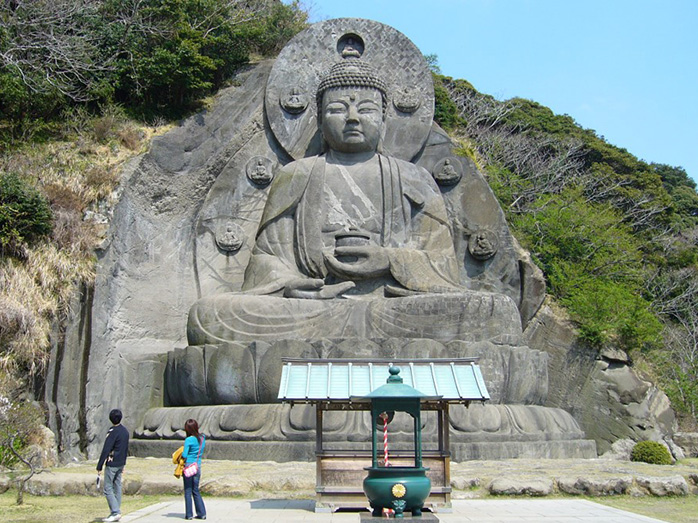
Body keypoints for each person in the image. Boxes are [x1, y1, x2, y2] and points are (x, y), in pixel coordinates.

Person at [186, 56, 496, 345]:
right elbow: (267, 258)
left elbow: (441, 265)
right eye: (336, 110)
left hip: (392, 306)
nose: (352, 119)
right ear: (319, 121)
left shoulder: (413, 178)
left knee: (492, 312)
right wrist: (290, 285)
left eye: (366, 110)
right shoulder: (296, 175)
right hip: (311, 309)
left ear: (385, 120)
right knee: (211, 314)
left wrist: (389, 260)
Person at [97, 409, 129, 523]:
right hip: (121, 462)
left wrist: (99, 465)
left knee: (108, 488)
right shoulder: (125, 431)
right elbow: (126, 449)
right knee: (117, 486)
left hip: (112, 462)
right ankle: (116, 511)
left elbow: (106, 448)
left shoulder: (112, 431)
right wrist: (124, 463)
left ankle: (115, 512)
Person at [182, 418, 206, 520]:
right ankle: (202, 513)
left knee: (188, 490)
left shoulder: (188, 440)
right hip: (197, 465)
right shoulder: (202, 438)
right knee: (196, 489)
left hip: (188, 466)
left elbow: (184, 454)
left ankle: (189, 514)